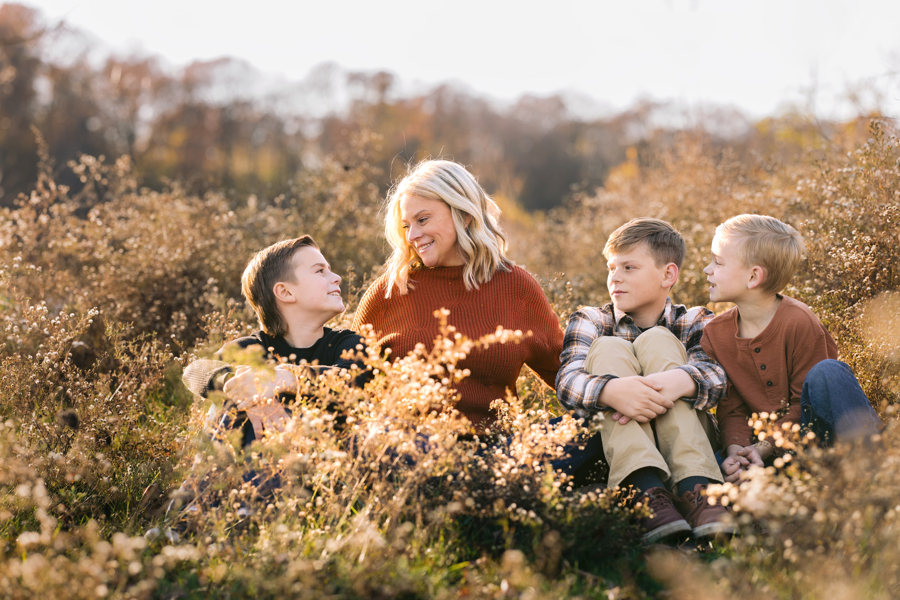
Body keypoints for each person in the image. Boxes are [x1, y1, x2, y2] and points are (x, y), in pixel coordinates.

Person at [556, 217, 734, 543]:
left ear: (668, 274)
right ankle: (645, 492)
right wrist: (612, 390)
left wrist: (669, 385)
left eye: (629, 268)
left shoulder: (694, 319)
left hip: (690, 442)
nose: (615, 278)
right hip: (617, 439)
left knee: (658, 340)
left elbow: (718, 376)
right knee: (608, 347)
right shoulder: (591, 320)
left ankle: (698, 488)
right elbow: (567, 382)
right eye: (611, 268)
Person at [352, 159, 563, 428]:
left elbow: (563, 371)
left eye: (423, 219)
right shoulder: (390, 291)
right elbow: (348, 383)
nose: (412, 235)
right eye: (406, 226)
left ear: (464, 214)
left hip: (501, 455)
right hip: (411, 456)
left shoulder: (515, 286)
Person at [700, 214, 882, 483]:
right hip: (766, 454)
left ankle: (877, 471)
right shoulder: (715, 334)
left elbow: (804, 402)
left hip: (818, 438)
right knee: (710, 474)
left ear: (753, 277)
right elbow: (732, 409)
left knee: (829, 372)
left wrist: (765, 446)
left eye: (717, 262)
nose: (707, 269)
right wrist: (737, 453)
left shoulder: (799, 321)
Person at [182, 235, 367, 449]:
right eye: (320, 271)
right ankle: (205, 482)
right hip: (251, 462)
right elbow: (195, 370)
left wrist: (284, 377)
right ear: (285, 292)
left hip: (326, 461)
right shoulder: (254, 347)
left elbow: (355, 377)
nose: (337, 277)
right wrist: (242, 386)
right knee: (233, 398)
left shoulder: (346, 342)